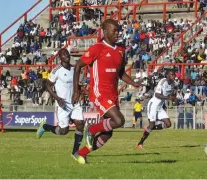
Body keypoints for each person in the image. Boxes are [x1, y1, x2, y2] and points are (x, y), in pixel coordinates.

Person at [71, 19, 141, 164]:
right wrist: (76, 89)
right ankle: (91, 129)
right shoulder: (97, 48)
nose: (117, 33)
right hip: (99, 92)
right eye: (114, 31)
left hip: (113, 93)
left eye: (118, 31)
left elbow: (120, 72)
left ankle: (81, 153)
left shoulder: (121, 50)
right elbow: (78, 65)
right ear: (105, 31)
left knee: (108, 133)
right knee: (119, 120)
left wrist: (133, 82)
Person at [36, 48, 85, 160]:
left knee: (80, 124)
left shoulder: (74, 69)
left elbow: (76, 84)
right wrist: (57, 98)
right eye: (64, 54)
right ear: (59, 57)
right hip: (63, 103)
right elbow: (48, 85)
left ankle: (75, 153)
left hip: (75, 102)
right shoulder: (56, 70)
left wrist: (80, 91)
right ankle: (45, 127)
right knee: (63, 131)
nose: (66, 55)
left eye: (67, 53)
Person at [135, 69, 176, 149]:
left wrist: (173, 97)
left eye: (174, 74)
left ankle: (150, 127)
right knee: (152, 124)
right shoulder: (162, 82)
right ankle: (140, 143)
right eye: (171, 74)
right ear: (167, 75)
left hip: (160, 107)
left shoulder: (172, 84)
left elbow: (170, 94)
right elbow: (157, 95)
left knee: (168, 124)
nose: (173, 76)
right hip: (153, 105)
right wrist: (168, 97)